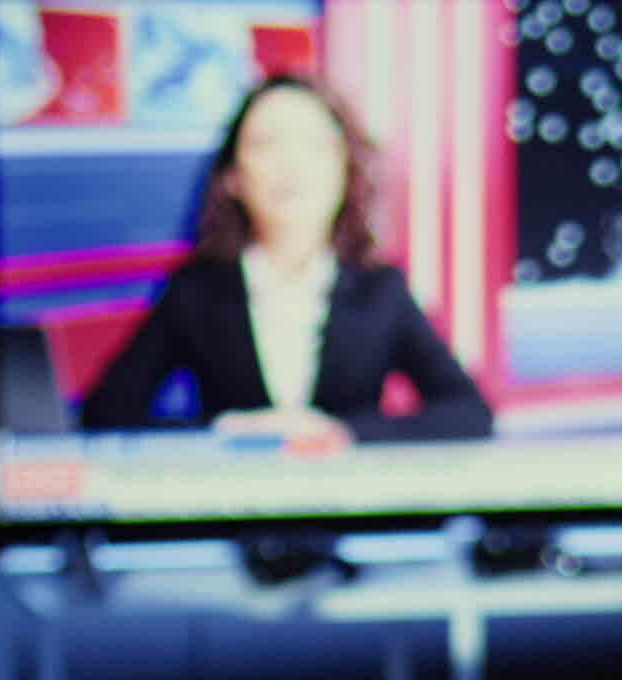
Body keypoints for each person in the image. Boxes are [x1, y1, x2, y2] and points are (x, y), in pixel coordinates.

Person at [75, 74, 492, 446]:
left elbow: (468, 413)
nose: (291, 165)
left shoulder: (380, 289)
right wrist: (224, 432)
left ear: (346, 170)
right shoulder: (196, 289)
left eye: (313, 145)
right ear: (232, 177)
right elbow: (105, 415)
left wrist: (343, 434)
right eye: (267, 144)